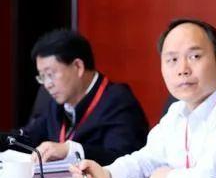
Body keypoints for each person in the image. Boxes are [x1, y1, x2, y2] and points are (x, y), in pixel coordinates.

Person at [70, 19, 216, 178]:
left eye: (194, 57)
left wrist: (166, 176)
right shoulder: (177, 111)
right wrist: (107, 173)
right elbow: (147, 159)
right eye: (172, 60)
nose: (182, 69)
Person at [19, 29, 148, 165]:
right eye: (42, 77)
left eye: (50, 74)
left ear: (78, 66)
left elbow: (123, 158)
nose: (47, 84)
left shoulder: (118, 101)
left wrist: (71, 151)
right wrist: (6, 140)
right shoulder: (54, 101)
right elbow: (29, 136)